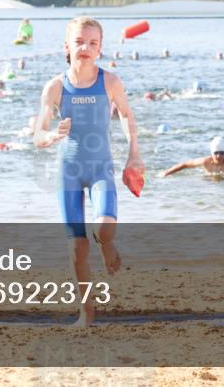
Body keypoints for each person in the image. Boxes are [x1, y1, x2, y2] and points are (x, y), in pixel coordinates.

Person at [34, 16, 145, 327]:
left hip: (100, 170)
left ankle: (107, 244)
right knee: (76, 248)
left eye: (93, 43)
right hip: (68, 172)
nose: (85, 47)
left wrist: (134, 154)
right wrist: (51, 136)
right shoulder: (55, 87)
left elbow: (126, 114)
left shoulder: (109, 82)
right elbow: (38, 134)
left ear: (100, 49)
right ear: (66, 46)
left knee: (103, 230)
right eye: (79, 41)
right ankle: (86, 312)